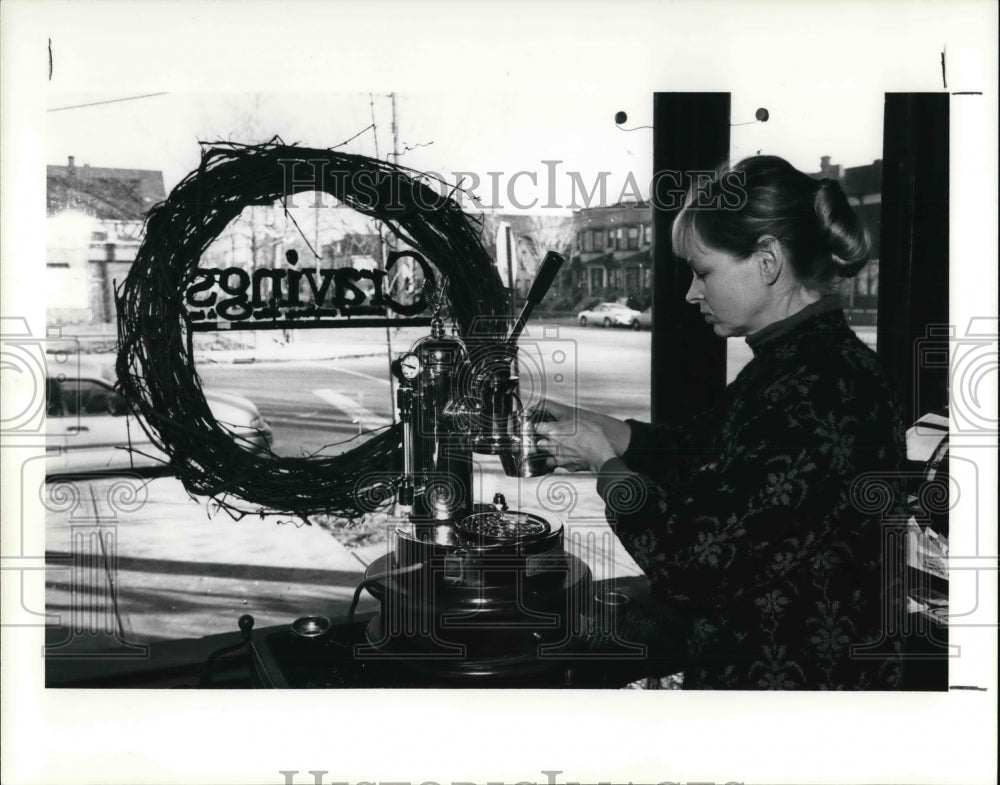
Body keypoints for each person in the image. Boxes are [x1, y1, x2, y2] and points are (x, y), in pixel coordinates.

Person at [533, 155, 907, 690]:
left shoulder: (819, 387)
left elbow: (694, 565)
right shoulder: (799, 362)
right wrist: (592, 427)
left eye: (703, 271)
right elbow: (700, 449)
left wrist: (603, 461)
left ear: (767, 261)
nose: (690, 292)